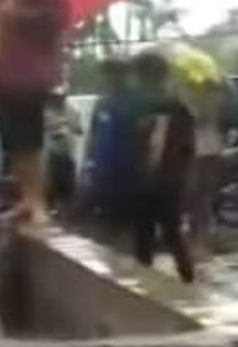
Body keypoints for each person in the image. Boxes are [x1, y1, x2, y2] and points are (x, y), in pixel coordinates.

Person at [0, 0, 69, 231]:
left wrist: (20, 14)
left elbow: (57, 15)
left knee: (30, 141)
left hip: (28, 73)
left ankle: (38, 201)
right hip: (1, 74)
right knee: (13, 143)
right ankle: (27, 198)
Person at [130, 51, 196, 284]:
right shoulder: (177, 106)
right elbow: (188, 147)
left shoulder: (138, 105)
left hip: (148, 181)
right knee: (171, 234)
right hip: (170, 181)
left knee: (144, 237)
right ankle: (188, 280)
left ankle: (142, 285)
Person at [178, 72, 229, 261]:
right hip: (199, 152)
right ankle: (197, 240)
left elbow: (201, 120)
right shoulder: (198, 103)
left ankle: (202, 241)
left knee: (201, 196)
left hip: (206, 152)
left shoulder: (208, 104)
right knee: (196, 197)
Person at [83, 58, 137, 228]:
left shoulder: (133, 100)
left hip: (127, 162)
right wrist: (89, 156)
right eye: (108, 74)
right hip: (103, 163)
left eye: (114, 74)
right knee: (107, 209)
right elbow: (93, 131)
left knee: (125, 209)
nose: (110, 78)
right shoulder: (102, 102)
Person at [45, 87, 82, 210]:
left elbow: (79, 130)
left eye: (60, 97)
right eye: (54, 97)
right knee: (51, 187)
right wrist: (55, 127)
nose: (57, 99)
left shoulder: (72, 111)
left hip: (67, 154)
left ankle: (67, 212)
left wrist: (68, 126)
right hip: (51, 155)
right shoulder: (45, 111)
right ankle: (52, 209)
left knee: (68, 189)